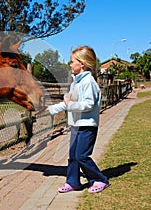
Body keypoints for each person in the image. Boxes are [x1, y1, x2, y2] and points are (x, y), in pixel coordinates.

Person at [46, 45, 110, 193]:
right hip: (76, 125)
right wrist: (53, 109)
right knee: (73, 156)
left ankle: (100, 179)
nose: (70, 64)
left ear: (82, 63)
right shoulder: (77, 82)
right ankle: (73, 182)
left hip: (87, 126)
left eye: (72, 61)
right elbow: (69, 102)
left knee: (82, 156)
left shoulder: (88, 82)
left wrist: (70, 104)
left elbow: (88, 104)